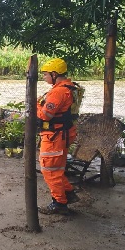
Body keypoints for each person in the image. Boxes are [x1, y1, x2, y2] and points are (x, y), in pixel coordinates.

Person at [37, 58, 81, 215]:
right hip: (64, 134)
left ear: (54, 74)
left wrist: (35, 105)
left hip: (54, 136)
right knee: (58, 169)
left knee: (49, 170)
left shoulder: (58, 92)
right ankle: (68, 193)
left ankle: (59, 203)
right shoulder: (70, 87)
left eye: (45, 74)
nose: (44, 77)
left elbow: (45, 115)